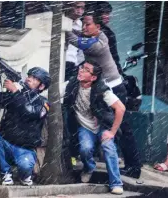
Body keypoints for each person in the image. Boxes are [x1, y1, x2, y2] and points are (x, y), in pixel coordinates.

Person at [65, 11, 142, 179]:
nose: (84, 27)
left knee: (122, 127)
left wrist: (63, 24)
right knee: (109, 125)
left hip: (113, 88)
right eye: (83, 24)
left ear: (98, 27)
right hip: (103, 87)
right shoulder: (96, 36)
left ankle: (133, 167)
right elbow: (79, 35)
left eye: (88, 24)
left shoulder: (97, 44)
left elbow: (74, 39)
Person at [63, 60, 124, 195]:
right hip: (84, 127)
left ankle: (116, 183)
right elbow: (55, 93)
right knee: (85, 149)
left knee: (108, 147)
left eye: (86, 70)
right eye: (81, 67)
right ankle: (89, 167)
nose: (81, 70)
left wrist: (112, 132)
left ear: (93, 78)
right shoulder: (72, 84)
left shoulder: (101, 89)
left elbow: (121, 108)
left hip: (103, 126)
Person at [0, 64, 51, 186]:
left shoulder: (44, 103)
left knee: (25, 167)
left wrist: (15, 91)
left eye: (35, 78)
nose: (29, 78)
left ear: (41, 86)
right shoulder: (17, 93)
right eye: (29, 76)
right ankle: (6, 173)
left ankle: (24, 176)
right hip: (7, 143)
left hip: (25, 149)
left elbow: (29, 112)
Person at [96, 1, 123, 75]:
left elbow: (114, 57)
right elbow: (114, 57)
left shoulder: (108, 33)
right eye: (106, 13)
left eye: (108, 13)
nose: (108, 16)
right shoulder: (107, 33)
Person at [63, 1, 85, 81]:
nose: (80, 11)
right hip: (62, 60)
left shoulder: (80, 24)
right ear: (70, 7)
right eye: (77, 7)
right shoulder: (62, 20)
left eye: (82, 8)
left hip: (74, 62)